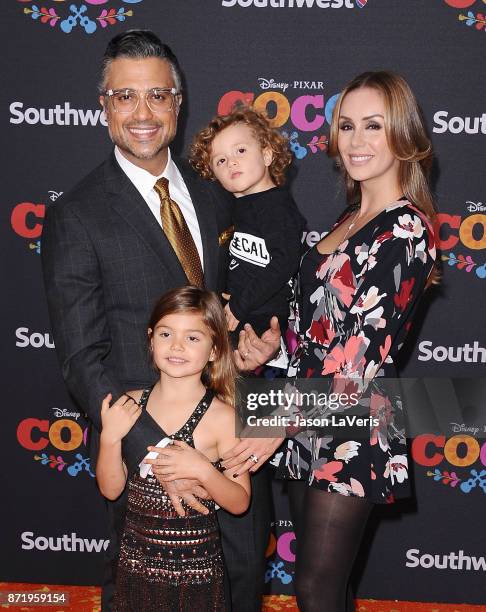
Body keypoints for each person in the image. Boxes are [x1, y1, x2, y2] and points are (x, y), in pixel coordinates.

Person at [41, 29, 279, 612]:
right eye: (125, 97)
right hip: (151, 477)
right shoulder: (78, 214)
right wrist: (161, 457)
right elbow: (83, 359)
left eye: (157, 95)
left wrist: (261, 345)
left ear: (178, 102)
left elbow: (254, 301)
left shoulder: (221, 189)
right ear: (104, 107)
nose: (142, 113)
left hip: (237, 446)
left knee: (243, 590)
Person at [275, 71, 439, 611]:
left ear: (404, 136)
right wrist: (268, 352)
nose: (357, 140)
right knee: (330, 585)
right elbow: (311, 332)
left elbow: (358, 355)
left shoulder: (406, 230)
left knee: (314, 588)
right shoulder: (350, 219)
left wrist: (270, 420)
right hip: (305, 414)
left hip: (352, 420)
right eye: (347, 125)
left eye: (375, 125)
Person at [96, 286, 251, 612]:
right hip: (136, 564)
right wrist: (109, 438)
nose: (177, 346)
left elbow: (239, 502)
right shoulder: (131, 404)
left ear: (213, 350)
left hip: (194, 572)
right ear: (151, 339)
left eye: (193, 338)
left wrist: (203, 470)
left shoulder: (223, 417)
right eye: (166, 334)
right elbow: (112, 490)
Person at [189, 107, 304, 344]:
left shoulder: (277, 206)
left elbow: (284, 262)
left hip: (259, 320)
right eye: (220, 160)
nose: (231, 162)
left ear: (267, 155)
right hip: (233, 314)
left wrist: (241, 304)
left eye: (240, 150)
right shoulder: (227, 209)